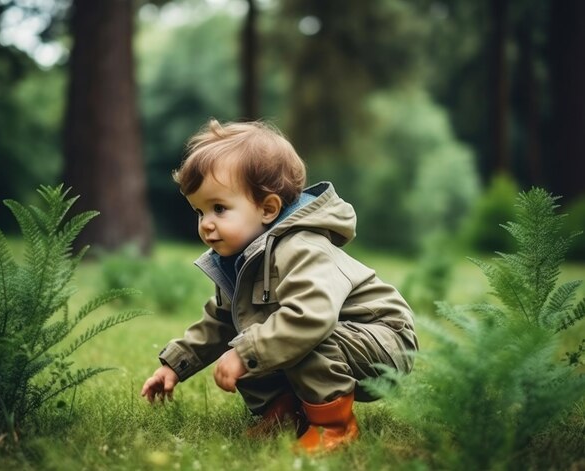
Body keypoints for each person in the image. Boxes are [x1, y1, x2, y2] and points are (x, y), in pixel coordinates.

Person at [141, 119, 418, 453]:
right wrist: (174, 365)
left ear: (268, 208)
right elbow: (219, 321)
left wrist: (245, 354)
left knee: (277, 340)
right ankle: (284, 413)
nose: (207, 224)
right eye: (200, 212)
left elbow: (311, 317)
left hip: (383, 339)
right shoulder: (237, 262)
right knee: (251, 334)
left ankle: (334, 426)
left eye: (219, 208)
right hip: (343, 336)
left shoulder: (301, 247)